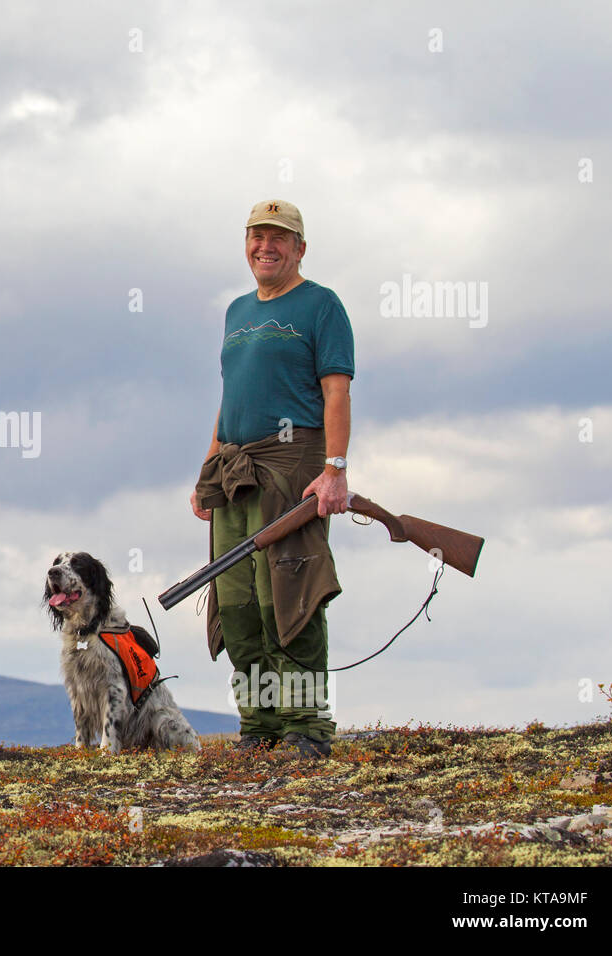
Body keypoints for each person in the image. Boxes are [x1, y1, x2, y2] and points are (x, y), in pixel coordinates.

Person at [189, 200, 354, 759]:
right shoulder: (235, 311)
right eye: (258, 235)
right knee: (238, 605)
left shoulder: (321, 305)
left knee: (289, 595)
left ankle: (306, 729)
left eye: (280, 238)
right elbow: (227, 399)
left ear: (300, 248)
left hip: (292, 464)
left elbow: (336, 390)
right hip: (233, 471)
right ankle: (259, 729)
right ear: (246, 244)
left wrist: (335, 469)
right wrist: (207, 471)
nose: (267, 246)